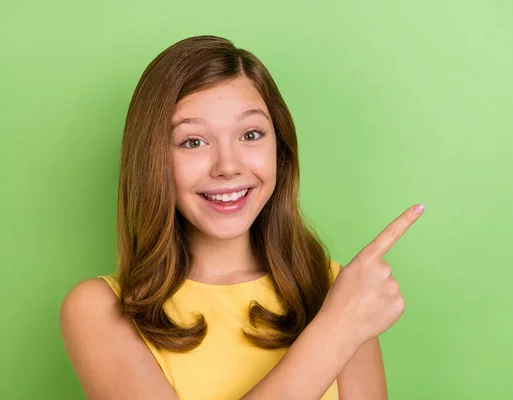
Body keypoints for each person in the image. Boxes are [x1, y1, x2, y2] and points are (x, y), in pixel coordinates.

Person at [59, 35, 424, 400]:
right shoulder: (99, 309)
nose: (228, 167)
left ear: (279, 149)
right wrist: (337, 330)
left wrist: (344, 315)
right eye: (193, 141)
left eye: (250, 134)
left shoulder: (336, 290)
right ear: (153, 160)